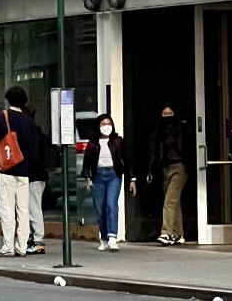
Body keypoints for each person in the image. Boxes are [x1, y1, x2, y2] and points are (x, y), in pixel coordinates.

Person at [0, 84, 39, 257]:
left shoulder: (2, 117)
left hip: (6, 170)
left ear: (8, 99)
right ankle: (22, 246)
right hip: (24, 172)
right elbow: (34, 148)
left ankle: (8, 246)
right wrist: (29, 167)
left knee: (7, 209)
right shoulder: (29, 121)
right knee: (23, 210)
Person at [81, 112, 135, 251]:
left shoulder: (118, 141)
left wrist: (132, 178)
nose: (107, 126)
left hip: (114, 175)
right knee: (100, 209)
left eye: (109, 124)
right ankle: (104, 237)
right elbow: (86, 163)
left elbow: (127, 160)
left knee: (111, 205)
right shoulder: (92, 144)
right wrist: (88, 178)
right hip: (98, 176)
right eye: (103, 124)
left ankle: (112, 237)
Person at [147, 103, 191, 244]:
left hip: (180, 167)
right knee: (174, 201)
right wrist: (150, 170)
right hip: (165, 167)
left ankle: (166, 232)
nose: (167, 118)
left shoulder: (182, 128)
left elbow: (188, 146)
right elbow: (153, 152)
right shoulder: (158, 132)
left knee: (170, 200)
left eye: (170, 114)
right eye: (164, 115)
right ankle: (178, 233)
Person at [23, 104, 49, 255]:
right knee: (33, 208)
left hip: (33, 176)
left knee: (32, 209)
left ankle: (37, 241)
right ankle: (35, 240)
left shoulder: (30, 135)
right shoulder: (38, 133)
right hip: (38, 175)